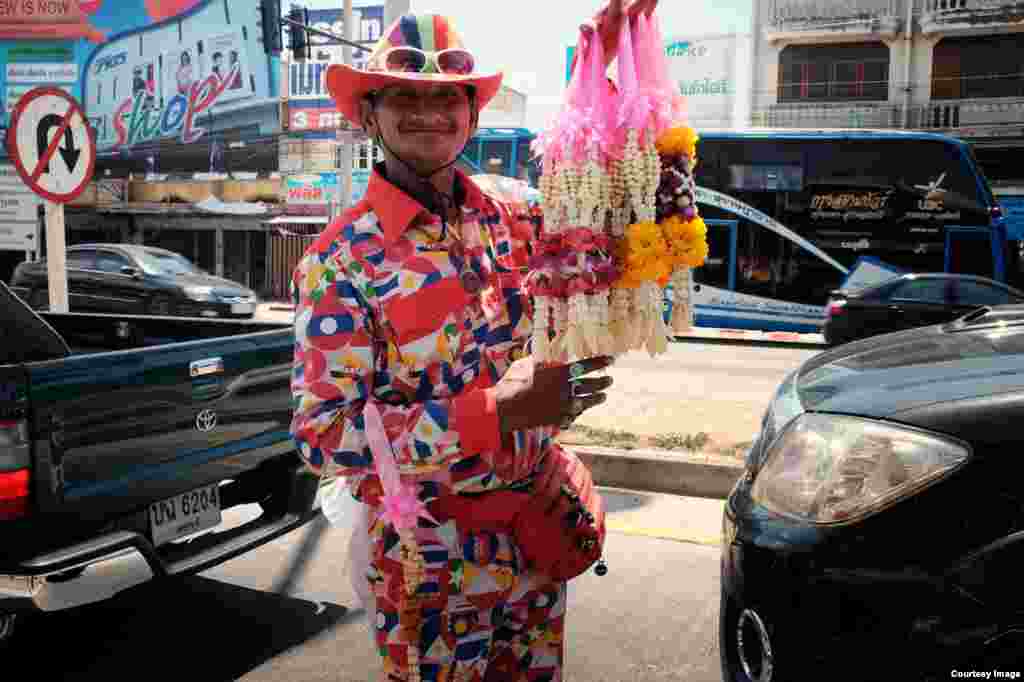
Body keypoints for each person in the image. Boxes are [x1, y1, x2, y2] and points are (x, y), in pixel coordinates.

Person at [291, 3, 656, 680]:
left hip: (538, 537)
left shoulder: (519, 213)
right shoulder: (339, 260)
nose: (429, 112)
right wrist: (498, 412)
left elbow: (598, 191)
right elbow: (324, 434)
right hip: (427, 562)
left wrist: (601, 68)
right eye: (404, 96)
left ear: (473, 114)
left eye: (448, 97)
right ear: (367, 116)